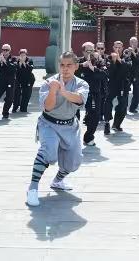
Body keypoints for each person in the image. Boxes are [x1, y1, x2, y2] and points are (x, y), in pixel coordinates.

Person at [26, 51, 89, 207]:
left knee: (73, 163)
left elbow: (80, 99)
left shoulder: (81, 84)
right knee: (49, 153)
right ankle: (32, 189)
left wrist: (63, 91)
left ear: (76, 66)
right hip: (49, 124)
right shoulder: (49, 82)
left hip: (70, 126)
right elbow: (47, 107)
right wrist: (54, 90)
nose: (65, 69)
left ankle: (58, 181)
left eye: (69, 65)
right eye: (62, 65)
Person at [76, 42, 107, 146]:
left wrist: (92, 67)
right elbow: (68, 70)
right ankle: (72, 136)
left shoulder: (99, 61)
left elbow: (104, 75)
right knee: (73, 115)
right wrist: (81, 66)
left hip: (94, 92)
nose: (90, 53)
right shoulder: (78, 61)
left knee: (95, 116)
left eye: (92, 50)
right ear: (83, 52)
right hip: (77, 93)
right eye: (87, 51)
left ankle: (88, 137)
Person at [105, 41, 132, 133]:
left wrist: (119, 59)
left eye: (119, 47)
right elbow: (109, 72)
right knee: (108, 102)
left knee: (123, 106)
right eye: (116, 47)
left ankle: (116, 124)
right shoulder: (109, 58)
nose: (117, 49)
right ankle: (107, 122)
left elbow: (128, 68)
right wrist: (113, 60)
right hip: (112, 84)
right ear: (113, 47)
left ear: (123, 48)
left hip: (123, 85)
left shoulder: (127, 57)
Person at [13, 49, 36, 113]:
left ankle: (23, 108)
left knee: (26, 95)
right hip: (19, 79)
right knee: (16, 94)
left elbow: (30, 69)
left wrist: (23, 63)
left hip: (28, 80)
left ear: (26, 55)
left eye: (24, 55)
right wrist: (19, 63)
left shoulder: (29, 60)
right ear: (19, 55)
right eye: (21, 55)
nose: (22, 56)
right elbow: (15, 69)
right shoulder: (16, 60)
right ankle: (15, 106)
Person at [127, 37, 139, 114]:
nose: (133, 44)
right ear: (129, 43)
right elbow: (125, 60)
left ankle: (132, 108)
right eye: (132, 42)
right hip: (127, 75)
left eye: (135, 42)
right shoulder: (126, 51)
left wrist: (134, 53)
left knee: (138, 93)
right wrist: (129, 53)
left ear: (137, 43)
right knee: (125, 93)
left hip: (137, 75)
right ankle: (123, 108)